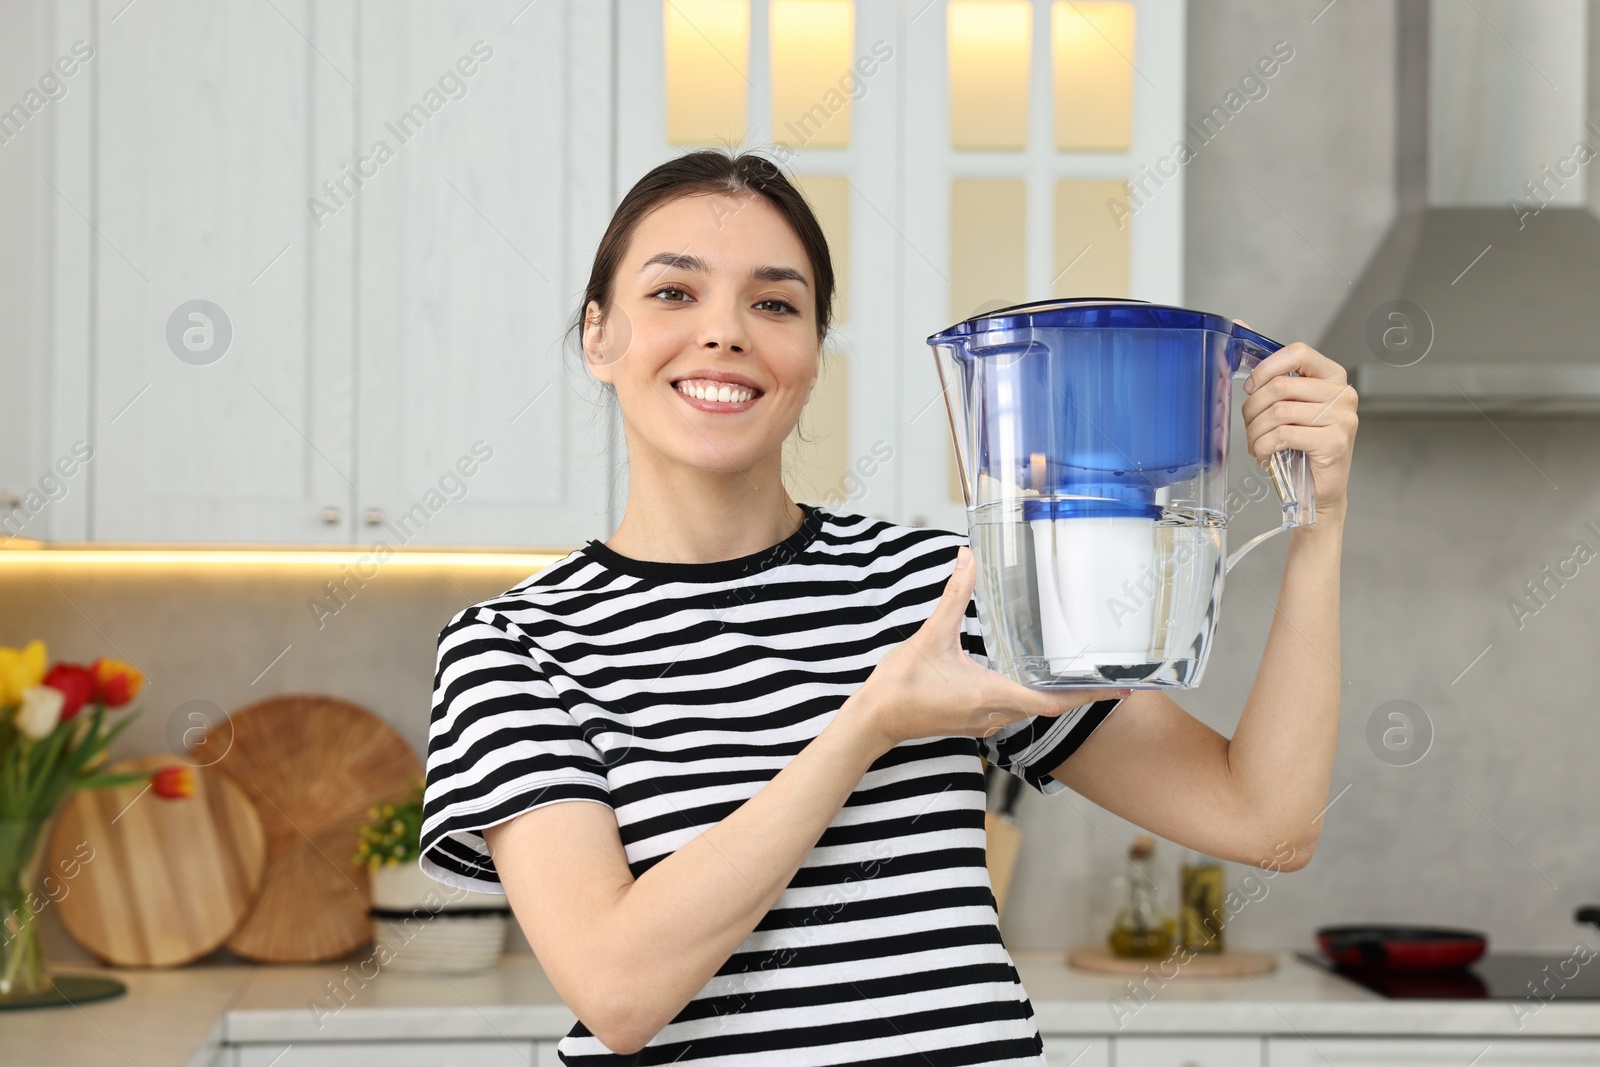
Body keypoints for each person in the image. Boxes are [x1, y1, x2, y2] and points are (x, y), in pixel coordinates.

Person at [419, 149, 1357, 1064]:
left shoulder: (936, 589)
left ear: (813, 356)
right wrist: (870, 722)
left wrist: (1317, 520)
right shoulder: (514, 647)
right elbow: (619, 992)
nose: (725, 331)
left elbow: (1267, 821)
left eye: (775, 303)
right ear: (598, 336)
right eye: (674, 292)